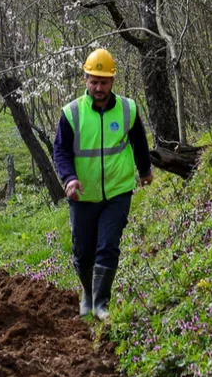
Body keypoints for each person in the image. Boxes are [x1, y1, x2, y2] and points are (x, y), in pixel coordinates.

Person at [52, 49, 153, 320]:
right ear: (85, 79)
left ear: (112, 81)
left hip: (117, 192)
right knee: (83, 251)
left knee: (108, 245)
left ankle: (101, 304)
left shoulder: (128, 109)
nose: (98, 87)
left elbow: (139, 142)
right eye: (93, 81)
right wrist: (69, 178)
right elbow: (60, 150)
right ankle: (88, 293)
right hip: (82, 194)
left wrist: (145, 171)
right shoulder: (71, 113)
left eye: (104, 82)